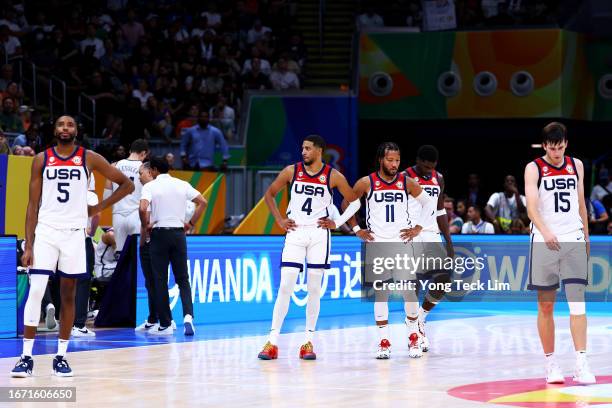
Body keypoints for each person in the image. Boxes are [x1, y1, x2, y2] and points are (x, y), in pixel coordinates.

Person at [11, 115, 133, 378]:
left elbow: (128, 184)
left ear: (76, 131)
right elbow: (32, 205)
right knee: (36, 292)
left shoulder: (88, 157)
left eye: (70, 125)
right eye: (61, 125)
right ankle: (26, 357)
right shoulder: (41, 159)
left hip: (75, 235)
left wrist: (98, 208)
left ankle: (61, 357)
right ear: (54, 130)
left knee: (68, 295)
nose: (65, 128)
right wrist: (28, 244)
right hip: (46, 231)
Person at [257, 135, 361, 361]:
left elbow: (355, 201)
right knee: (285, 286)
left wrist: (338, 221)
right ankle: (272, 341)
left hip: (318, 234)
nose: (303, 152)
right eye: (302, 148)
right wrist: (279, 220)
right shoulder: (291, 171)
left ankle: (308, 341)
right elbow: (269, 195)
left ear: (319, 151)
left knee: (314, 288)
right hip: (295, 231)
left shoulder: (333, 175)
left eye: (307, 148)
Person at [348, 142, 435, 359]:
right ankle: (384, 342)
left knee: (409, 292)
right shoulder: (366, 182)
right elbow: (347, 204)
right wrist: (357, 229)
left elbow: (429, 204)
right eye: (390, 160)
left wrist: (418, 228)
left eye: (397, 160)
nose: (394, 164)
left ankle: (413, 337)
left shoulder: (407, 182)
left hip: (401, 243)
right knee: (381, 293)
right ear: (380, 159)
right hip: (377, 244)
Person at [524, 121, 595, 385]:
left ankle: (581, 363)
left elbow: (581, 204)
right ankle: (551, 363)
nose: (557, 152)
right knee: (546, 304)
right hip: (545, 241)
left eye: (561, 147)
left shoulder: (576, 165)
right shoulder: (534, 168)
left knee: (578, 303)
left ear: (566, 143)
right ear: (544, 146)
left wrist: (586, 236)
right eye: (552, 148)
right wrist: (545, 232)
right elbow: (531, 207)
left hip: (573, 239)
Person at [139, 157, 207, 336]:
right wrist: (190, 223)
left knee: (159, 279)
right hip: (179, 234)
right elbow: (203, 202)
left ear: (153, 170)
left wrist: (146, 225)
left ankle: (166, 324)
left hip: (159, 233)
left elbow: (142, 208)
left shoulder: (150, 186)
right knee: (183, 279)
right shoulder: (182, 184)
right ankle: (188, 316)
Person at [404, 145, 454, 353]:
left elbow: (440, 209)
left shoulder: (438, 178)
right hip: (411, 233)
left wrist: (448, 240)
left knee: (444, 276)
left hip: (432, 233)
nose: (427, 170)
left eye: (431, 166)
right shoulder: (404, 177)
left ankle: (421, 316)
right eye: (424, 166)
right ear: (417, 160)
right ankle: (413, 330)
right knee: (413, 280)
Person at [104, 139, 149, 253]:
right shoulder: (145, 170)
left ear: (130, 151)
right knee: (137, 255)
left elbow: (106, 197)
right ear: (143, 153)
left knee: (120, 256)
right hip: (136, 215)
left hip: (118, 215)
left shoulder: (114, 166)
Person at [71, 174, 100, 337]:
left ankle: (65, 320)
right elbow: (96, 215)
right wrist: (92, 231)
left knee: (67, 281)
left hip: (66, 240)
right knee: (83, 282)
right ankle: (79, 324)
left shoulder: (68, 194)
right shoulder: (90, 195)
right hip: (82, 241)